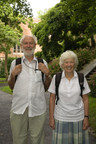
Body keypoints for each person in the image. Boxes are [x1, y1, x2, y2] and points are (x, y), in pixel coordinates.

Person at [8, 35, 51, 144]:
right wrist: (13, 75)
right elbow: (11, 86)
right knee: (19, 140)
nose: (28, 45)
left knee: (37, 139)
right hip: (19, 107)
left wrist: (48, 75)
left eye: (31, 43)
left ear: (35, 45)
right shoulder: (15, 63)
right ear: (21, 46)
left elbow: (46, 87)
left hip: (37, 108)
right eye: (25, 43)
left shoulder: (42, 63)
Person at [48, 50, 90, 144]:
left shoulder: (81, 78)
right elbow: (52, 99)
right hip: (61, 118)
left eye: (71, 62)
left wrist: (86, 117)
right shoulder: (57, 78)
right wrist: (51, 118)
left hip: (78, 119)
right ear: (62, 64)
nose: (69, 65)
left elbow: (86, 99)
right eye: (66, 62)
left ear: (75, 64)